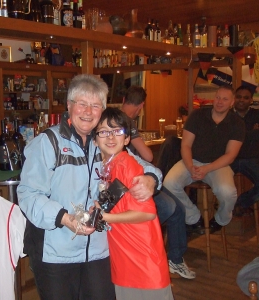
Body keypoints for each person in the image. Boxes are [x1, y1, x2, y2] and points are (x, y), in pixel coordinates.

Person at [17, 74, 162, 300]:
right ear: (69, 106)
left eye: (95, 106)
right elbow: (27, 194)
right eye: (81, 104)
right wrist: (65, 218)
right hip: (55, 252)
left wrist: (151, 178)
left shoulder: (104, 142)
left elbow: (142, 164)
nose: (88, 111)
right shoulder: (48, 143)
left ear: (102, 110)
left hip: (98, 250)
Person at [94, 107, 173, 300]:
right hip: (124, 254)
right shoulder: (106, 166)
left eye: (117, 131)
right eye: (104, 131)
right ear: (95, 139)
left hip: (142, 258)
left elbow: (148, 214)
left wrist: (104, 217)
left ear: (127, 139)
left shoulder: (127, 165)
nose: (111, 137)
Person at [121, 85, 195, 279]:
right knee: (170, 207)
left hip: (142, 177)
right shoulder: (126, 122)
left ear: (123, 99)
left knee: (177, 209)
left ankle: (175, 260)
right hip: (134, 181)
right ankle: (145, 248)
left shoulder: (120, 118)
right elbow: (147, 155)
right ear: (141, 105)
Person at [163, 85, 245, 234]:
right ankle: (193, 217)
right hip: (192, 160)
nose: (220, 102)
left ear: (232, 102)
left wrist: (207, 168)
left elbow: (230, 155)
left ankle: (221, 219)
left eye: (225, 99)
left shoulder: (237, 123)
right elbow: (186, 145)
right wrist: (190, 166)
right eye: (218, 97)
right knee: (168, 184)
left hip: (219, 165)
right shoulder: (198, 115)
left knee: (228, 192)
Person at [230, 86, 259, 209]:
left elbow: (234, 137)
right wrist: (252, 133)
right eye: (239, 97)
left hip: (252, 159)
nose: (241, 100)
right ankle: (219, 216)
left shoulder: (256, 114)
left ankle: (240, 204)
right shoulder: (225, 115)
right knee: (218, 185)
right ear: (234, 98)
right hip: (228, 160)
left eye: (246, 98)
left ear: (251, 100)